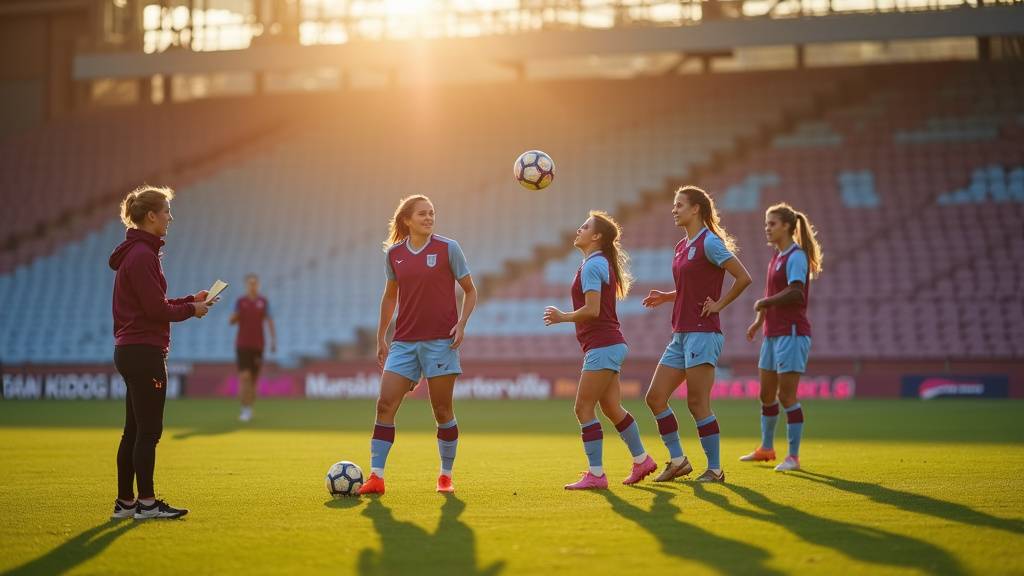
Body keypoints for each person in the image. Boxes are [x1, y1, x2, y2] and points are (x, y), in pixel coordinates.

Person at [358, 195, 477, 495]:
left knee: (441, 411)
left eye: (432, 213)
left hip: (440, 343)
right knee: (384, 405)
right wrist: (381, 336)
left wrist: (462, 323)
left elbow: (470, 291)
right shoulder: (394, 255)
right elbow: (390, 297)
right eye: (422, 214)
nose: (428, 217)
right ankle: (376, 477)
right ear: (407, 220)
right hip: (404, 344)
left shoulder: (449, 248)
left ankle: (445, 475)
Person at [109, 185, 215, 519]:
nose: (171, 216)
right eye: (167, 211)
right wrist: (192, 311)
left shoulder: (138, 253)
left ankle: (126, 503)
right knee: (148, 432)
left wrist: (189, 301)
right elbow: (156, 312)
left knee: (134, 431)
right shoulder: (142, 256)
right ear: (151, 216)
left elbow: (154, 304)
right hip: (144, 351)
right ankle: (147, 504)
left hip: (131, 349)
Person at [641, 186, 752, 483]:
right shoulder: (682, 245)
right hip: (680, 334)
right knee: (655, 397)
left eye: (679, 205)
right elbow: (693, 286)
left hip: (703, 333)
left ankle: (715, 469)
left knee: (697, 403)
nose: (674, 210)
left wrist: (719, 304)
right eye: (674, 205)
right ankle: (678, 460)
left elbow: (743, 278)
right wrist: (668, 296)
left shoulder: (710, 242)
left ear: (696, 209)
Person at [543, 211, 657, 490]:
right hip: (610, 344)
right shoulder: (596, 263)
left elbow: (592, 310)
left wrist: (562, 317)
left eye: (585, 227)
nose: (578, 229)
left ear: (596, 236)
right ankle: (642, 459)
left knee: (583, 407)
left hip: (603, 345)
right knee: (611, 407)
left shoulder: (594, 265)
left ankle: (596, 474)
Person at [741, 203, 823, 472]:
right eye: (766, 224)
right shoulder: (775, 257)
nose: (767, 228)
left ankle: (794, 457)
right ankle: (766, 448)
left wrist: (765, 301)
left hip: (792, 333)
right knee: (766, 394)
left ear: (787, 226)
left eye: (772, 224)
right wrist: (758, 322)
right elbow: (771, 300)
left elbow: (797, 292)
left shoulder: (796, 256)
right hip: (772, 334)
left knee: (787, 396)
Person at [230, 273, 276, 422]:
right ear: (246, 285)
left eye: (255, 283)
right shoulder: (240, 302)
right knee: (245, 377)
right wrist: (234, 317)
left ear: (258, 285)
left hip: (258, 346)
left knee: (254, 381)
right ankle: (245, 410)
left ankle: (249, 407)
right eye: (250, 283)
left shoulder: (263, 302)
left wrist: (273, 341)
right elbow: (232, 320)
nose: (253, 286)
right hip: (242, 345)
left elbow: (269, 321)